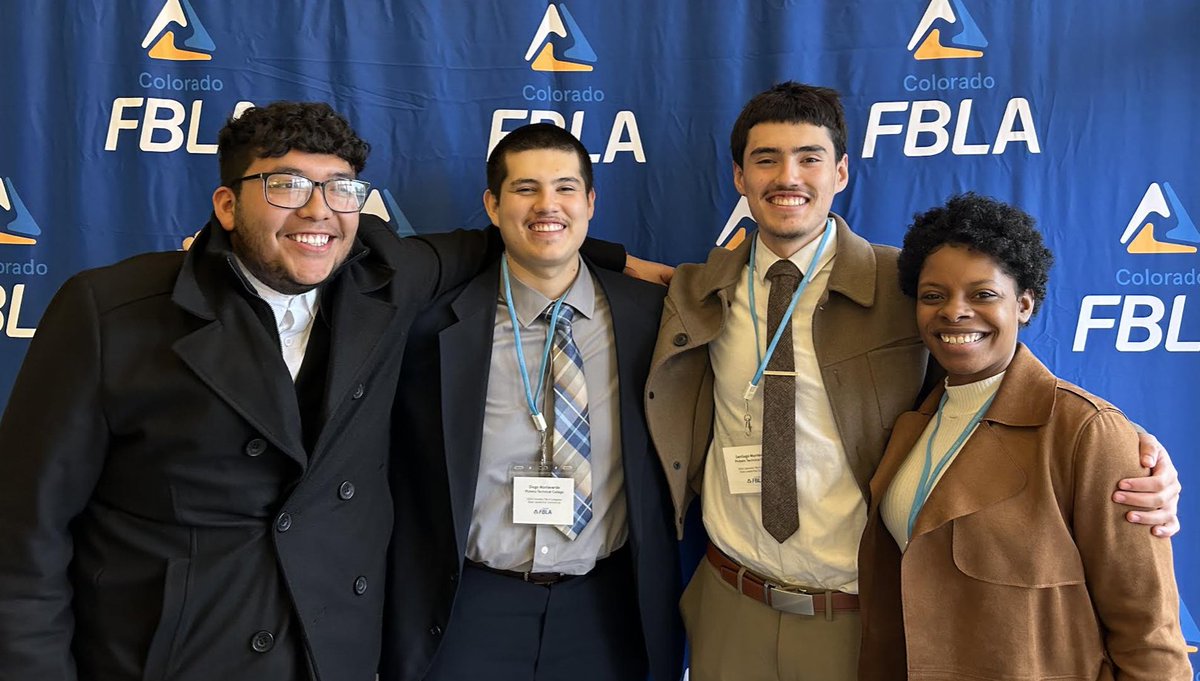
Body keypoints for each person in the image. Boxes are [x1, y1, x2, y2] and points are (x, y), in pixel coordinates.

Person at [0, 103, 632, 681]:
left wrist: (615, 258)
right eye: (287, 185)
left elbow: (520, 235)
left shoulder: (385, 280)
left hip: (332, 654)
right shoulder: (111, 312)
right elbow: (25, 530)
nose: (317, 210)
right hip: (174, 655)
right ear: (226, 205)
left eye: (339, 189)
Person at [643, 82, 1183, 681]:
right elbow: (555, 247)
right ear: (740, 177)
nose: (787, 176)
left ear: (841, 171)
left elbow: (994, 383)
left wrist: (1133, 457)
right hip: (729, 602)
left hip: (862, 615)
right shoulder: (698, 291)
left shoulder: (911, 285)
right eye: (766, 158)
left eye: (809, 157)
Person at [380, 123, 683, 681]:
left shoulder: (655, 317)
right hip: (467, 609)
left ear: (590, 202)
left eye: (566, 188)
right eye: (526, 189)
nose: (549, 205)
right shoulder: (432, 326)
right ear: (492, 206)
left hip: (606, 612)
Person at [857, 192, 1191, 679]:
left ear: (1026, 304)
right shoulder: (914, 421)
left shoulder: (1087, 433)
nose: (955, 311)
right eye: (933, 296)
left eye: (983, 294)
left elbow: (1149, 633)